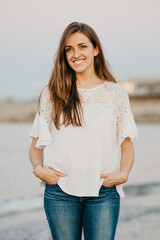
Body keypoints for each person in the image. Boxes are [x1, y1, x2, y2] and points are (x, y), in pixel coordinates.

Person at [29, 22, 139, 240]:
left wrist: (123, 174)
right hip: (59, 193)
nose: (75, 54)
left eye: (82, 46)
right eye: (69, 49)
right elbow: (35, 146)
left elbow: (127, 145)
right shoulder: (52, 93)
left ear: (95, 49)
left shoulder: (116, 93)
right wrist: (38, 169)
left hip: (103, 192)